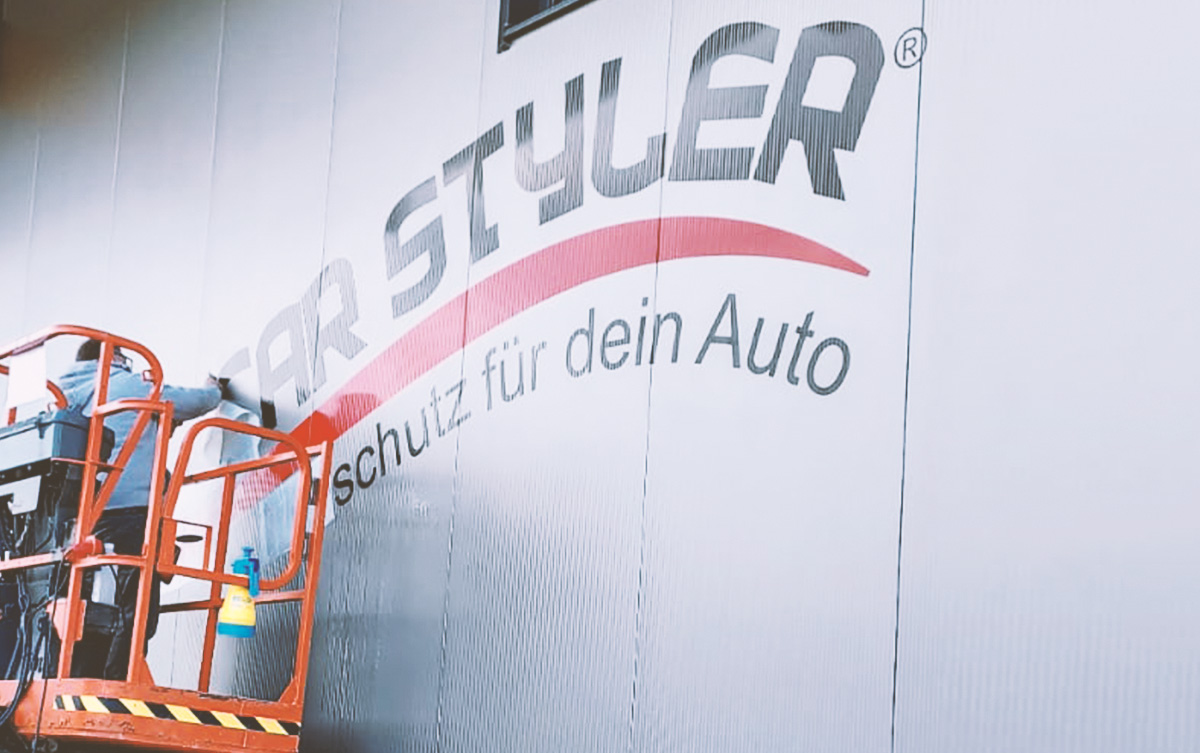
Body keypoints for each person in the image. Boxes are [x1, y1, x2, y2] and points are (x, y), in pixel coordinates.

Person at [57, 338, 223, 680]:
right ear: (114, 357)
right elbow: (191, 401)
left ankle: (81, 677)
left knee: (91, 606)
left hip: (84, 521)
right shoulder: (125, 384)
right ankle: (119, 681)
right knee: (137, 607)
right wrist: (214, 390)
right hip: (133, 514)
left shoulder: (63, 397)